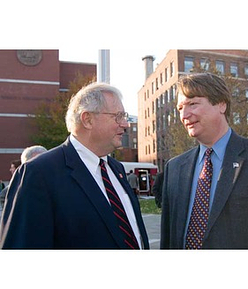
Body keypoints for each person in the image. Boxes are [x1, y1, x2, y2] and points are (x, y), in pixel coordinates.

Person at [0, 82, 149, 249]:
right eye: (118, 116)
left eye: (125, 116)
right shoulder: (38, 174)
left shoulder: (116, 169)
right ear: (88, 119)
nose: (125, 124)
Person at [160, 72, 248, 249]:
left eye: (192, 104)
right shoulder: (174, 168)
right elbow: (168, 240)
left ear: (221, 104)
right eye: (180, 108)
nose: (184, 115)